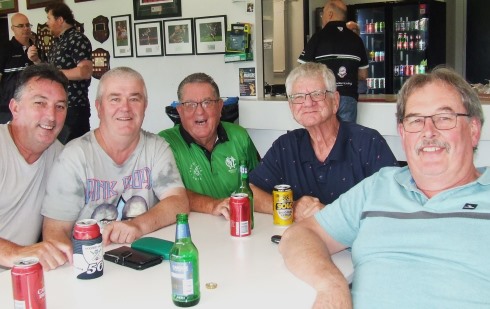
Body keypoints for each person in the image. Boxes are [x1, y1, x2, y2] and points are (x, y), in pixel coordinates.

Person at [279, 67, 489, 308]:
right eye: (415, 120)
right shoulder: (379, 187)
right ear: (402, 132)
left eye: (444, 118)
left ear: (473, 130)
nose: (428, 132)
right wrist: (332, 285)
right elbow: (299, 235)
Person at [41, 67, 189, 267]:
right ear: (99, 107)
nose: (125, 108)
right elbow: (55, 233)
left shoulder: (157, 147)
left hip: (144, 263)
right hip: (91, 268)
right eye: (115, 99)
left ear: (145, 106)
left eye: (134, 99)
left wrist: (138, 225)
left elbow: (178, 202)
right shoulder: (75, 156)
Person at [249, 62, 397, 221]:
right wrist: (288, 207)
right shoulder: (285, 147)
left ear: (335, 101)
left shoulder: (368, 143)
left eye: (317, 94)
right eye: (298, 97)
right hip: (298, 242)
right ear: (291, 106)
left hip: (355, 244)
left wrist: (331, 216)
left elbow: (395, 202)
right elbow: (250, 192)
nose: (308, 103)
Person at [0, 64, 71, 271]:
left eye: (60, 106)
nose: (51, 116)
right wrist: (16, 253)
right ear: (15, 108)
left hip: (24, 276)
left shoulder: (61, 156)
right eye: (40, 103)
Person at [159, 73, 259, 219]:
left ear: (220, 107)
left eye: (207, 102)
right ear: (180, 111)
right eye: (190, 104)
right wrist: (212, 205)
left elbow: (259, 183)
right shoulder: (165, 143)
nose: (199, 111)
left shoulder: (239, 136)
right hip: (191, 229)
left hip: (239, 225)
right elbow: (168, 192)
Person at [28, 2, 93, 143]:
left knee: (75, 155)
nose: (47, 23)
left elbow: (85, 71)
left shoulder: (77, 38)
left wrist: (54, 74)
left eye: (49, 18)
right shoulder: (57, 43)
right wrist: (37, 60)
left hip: (74, 109)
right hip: (57, 107)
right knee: (57, 152)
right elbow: (50, 70)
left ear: (60, 20)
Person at [298, 0, 368, 123]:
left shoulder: (318, 38)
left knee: (324, 137)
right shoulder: (357, 40)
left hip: (324, 97)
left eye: (323, 14)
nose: (322, 17)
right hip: (348, 97)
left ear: (329, 14)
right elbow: (363, 74)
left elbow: (301, 69)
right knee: (346, 138)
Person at [0, 13, 34, 123]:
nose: (26, 28)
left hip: (32, 107)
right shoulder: (5, 49)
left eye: (28, 25)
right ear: (12, 29)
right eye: (21, 26)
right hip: (8, 108)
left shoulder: (37, 49)